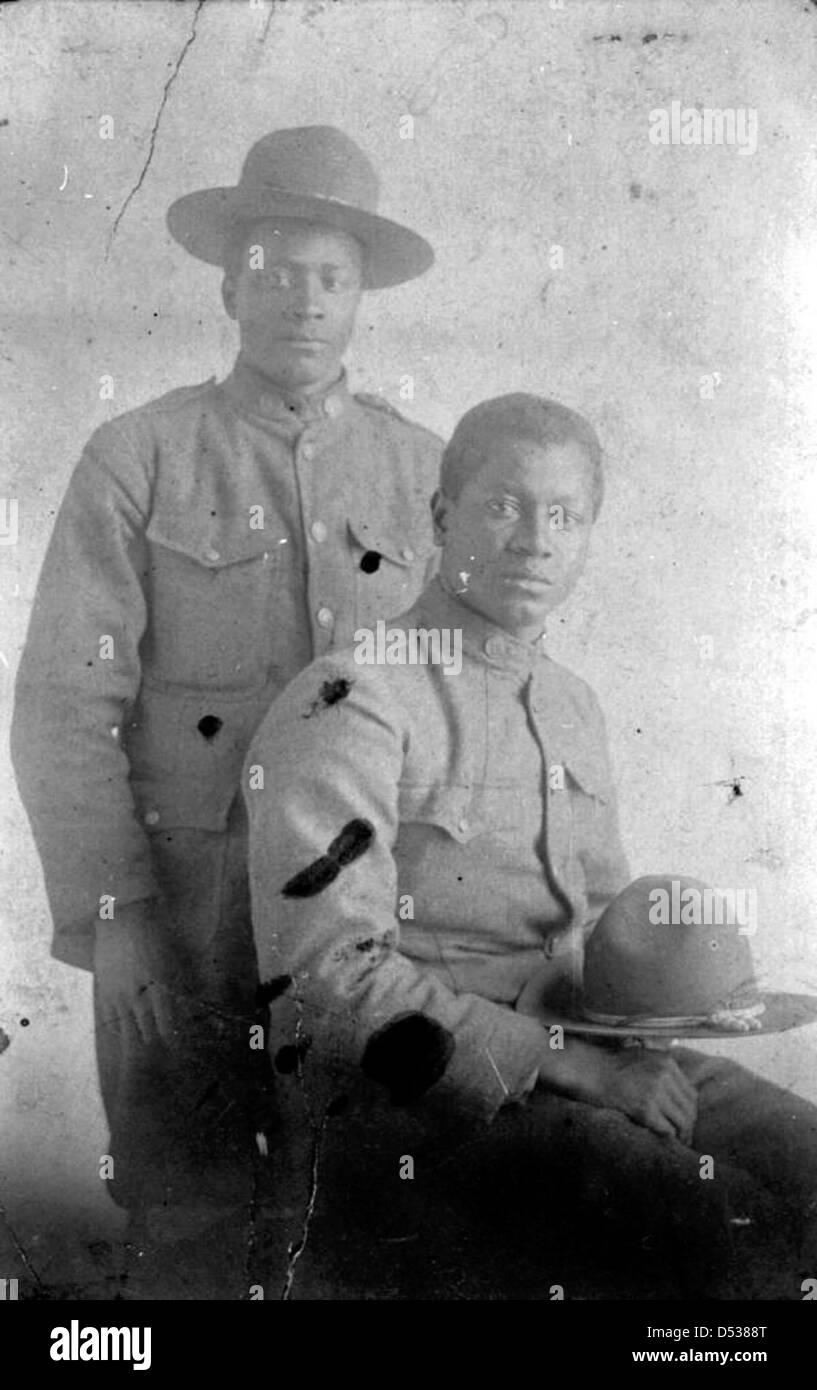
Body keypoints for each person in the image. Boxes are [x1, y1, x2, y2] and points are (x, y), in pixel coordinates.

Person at [244, 393, 817, 1300]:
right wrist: (568, 1065)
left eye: (564, 515)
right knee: (708, 1230)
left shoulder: (570, 705)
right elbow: (326, 979)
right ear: (441, 516)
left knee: (806, 1160)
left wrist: (645, 1040)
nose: (533, 540)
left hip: (584, 1064)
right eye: (504, 504)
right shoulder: (356, 698)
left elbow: (604, 931)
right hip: (416, 1100)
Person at [11, 125, 442, 1297]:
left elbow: (466, 711)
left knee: (361, 1225)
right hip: (181, 921)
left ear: (361, 297)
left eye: (330, 276)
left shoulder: (426, 476)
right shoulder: (138, 456)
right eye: (275, 269)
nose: (301, 300)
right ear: (227, 285)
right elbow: (61, 706)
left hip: (364, 928)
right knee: (183, 1224)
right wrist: (116, 918)